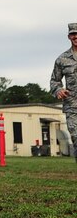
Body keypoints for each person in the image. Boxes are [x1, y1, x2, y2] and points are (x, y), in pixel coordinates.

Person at [50, 23, 77, 165]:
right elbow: (54, 81)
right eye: (73, 34)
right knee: (76, 137)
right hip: (73, 107)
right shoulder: (62, 59)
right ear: (69, 37)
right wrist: (58, 90)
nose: (76, 36)